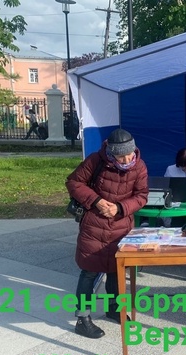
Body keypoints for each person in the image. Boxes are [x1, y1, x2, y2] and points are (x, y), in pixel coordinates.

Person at [66, 129, 148, 339]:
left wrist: (120, 208)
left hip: (121, 226)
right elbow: (74, 182)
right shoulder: (96, 161)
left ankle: (114, 308)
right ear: (111, 152)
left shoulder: (139, 166)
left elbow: (141, 196)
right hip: (94, 226)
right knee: (89, 271)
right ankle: (82, 319)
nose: (126, 160)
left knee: (116, 270)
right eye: (121, 156)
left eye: (129, 155)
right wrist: (97, 201)